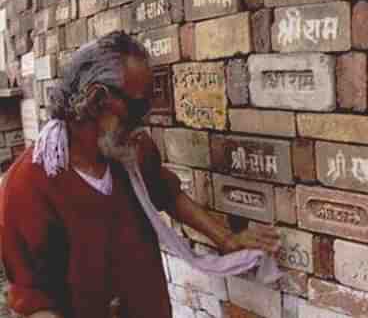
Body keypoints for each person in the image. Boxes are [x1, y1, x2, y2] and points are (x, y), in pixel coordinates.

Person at [1, 32, 281, 318]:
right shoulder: (27, 187)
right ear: (97, 99)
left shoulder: (131, 152)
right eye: (137, 107)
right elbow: (34, 301)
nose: (143, 119)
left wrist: (227, 239)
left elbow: (168, 194)